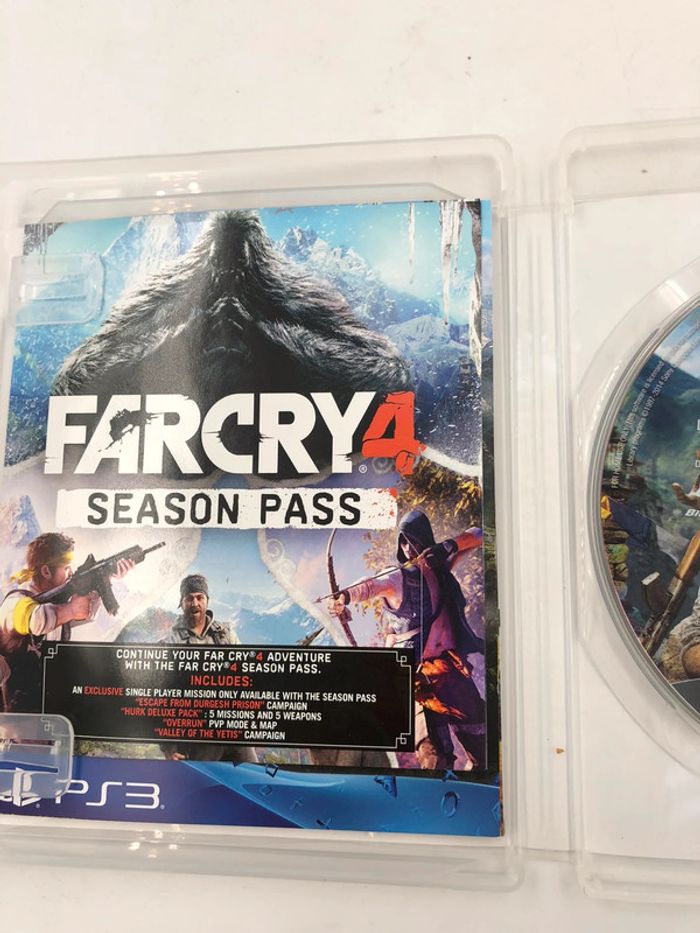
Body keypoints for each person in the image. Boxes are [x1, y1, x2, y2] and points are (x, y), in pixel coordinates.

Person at [328, 509, 486, 771]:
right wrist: (343, 597)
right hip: (415, 679)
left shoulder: (440, 568)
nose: (408, 547)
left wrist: (448, 546)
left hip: (450, 673)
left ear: (425, 539)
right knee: (434, 757)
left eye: (412, 540)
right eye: (403, 541)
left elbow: (479, 534)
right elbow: (369, 586)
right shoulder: (397, 577)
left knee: (481, 746)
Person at [0, 532, 133, 712]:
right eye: (66, 568)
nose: (71, 574)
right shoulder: (15, 603)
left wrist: (104, 579)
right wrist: (70, 610)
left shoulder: (56, 605)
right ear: (46, 571)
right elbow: (37, 619)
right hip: (15, 716)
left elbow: (85, 614)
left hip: (48, 708)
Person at [159, 573, 257, 764]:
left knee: (252, 773)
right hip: (195, 736)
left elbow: (246, 674)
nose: (194, 603)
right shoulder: (169, 643)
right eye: (189, 598)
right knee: (201, 778)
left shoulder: (226, 635)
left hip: (232, 728)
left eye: (199, 597)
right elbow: (159, 697)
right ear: (181, 602)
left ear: (207, 600)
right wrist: (168, 746)